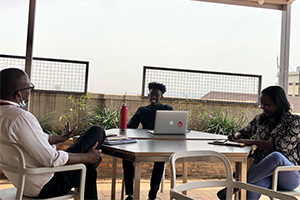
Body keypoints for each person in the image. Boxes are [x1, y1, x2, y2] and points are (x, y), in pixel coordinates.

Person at [0, 68, 106, 199]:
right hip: (45, 184)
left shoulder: (5, 115)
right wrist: (87, 158)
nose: (31, 90)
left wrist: (61, 138)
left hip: (22, 183)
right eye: (29, 87)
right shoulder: (21, 118)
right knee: (96, 135)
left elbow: (36, 141)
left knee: (86, 161)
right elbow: (51, 159)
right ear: (18, 95)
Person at [217, 86, 300, 200]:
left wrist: (250, 141)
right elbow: (244, 132)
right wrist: (236, 136)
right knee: (251, 188)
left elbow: (281, 146)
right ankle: (240, 184)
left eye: (267, 105)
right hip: (263, 174)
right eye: (262, 104)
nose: (263, 108)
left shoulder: (295, 122)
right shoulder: (259, 120)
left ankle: (236, 185)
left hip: (287, 174)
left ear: (279, 104)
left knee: (276, 156)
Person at [122, 82, 173, 200]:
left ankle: (152, 196)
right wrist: (123, 123)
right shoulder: (142, 110)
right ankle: (130, 194)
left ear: (161, 97)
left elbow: (172, 127)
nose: (153, 97)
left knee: (160, 162)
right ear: (148, 95)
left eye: (156, 95)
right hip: (143, 143)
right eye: (151, 94)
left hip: (159, 144)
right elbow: (130, 128)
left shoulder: (167, 109)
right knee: (127, 158)